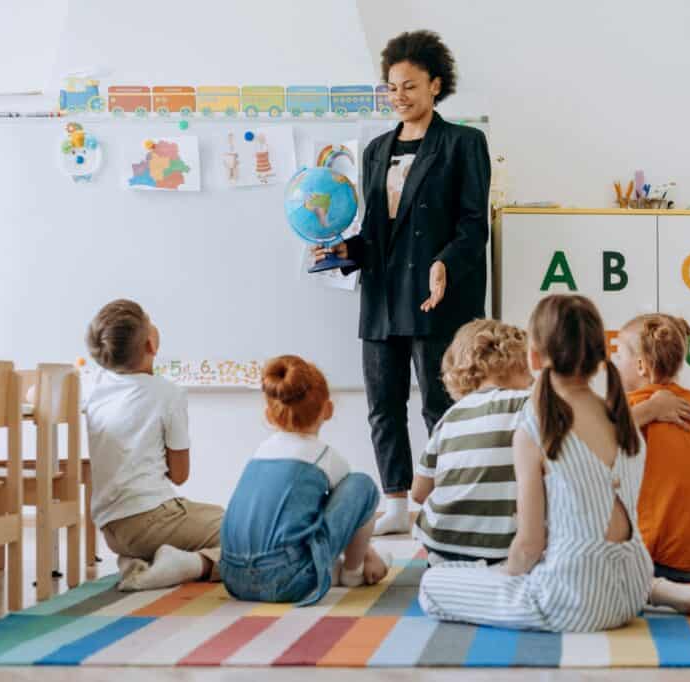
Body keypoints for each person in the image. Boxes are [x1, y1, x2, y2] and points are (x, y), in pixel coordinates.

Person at [417, 295, 690, 632]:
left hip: (574, 602)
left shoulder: (535, 426)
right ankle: (676, 595)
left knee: (434, 585)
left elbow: (529, 546)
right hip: (631, 587)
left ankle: (668, 594)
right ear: (599, 355)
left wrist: (502, 576)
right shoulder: (621, 416)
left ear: (533, 357)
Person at [314, 30, 491, 535]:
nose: (399, 97)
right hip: (382, 298)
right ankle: (395, 503)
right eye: (392, 87)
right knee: (383, 403)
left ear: (436, 85)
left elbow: (473, 224)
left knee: (441, 404)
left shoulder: (463, 144)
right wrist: (343, 250)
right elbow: (375, 234)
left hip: (438, 297)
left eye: (410, 87)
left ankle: (446, 501)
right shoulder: (374, 151)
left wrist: (445, 262)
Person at [219, 356, 389, 605]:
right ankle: (353, 572)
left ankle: (343, 564)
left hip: (232, 577)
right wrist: (367, 553)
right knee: (362, 485)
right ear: (328, 409)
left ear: (269, 415)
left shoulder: (259, 453)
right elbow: (349, 514)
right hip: (286, 580)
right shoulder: (326, 458)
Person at [84, 299, 222, 591]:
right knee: (247, 532)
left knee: (217, 519)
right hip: (151, 519)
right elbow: (180, 475)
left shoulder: (93, 386)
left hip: (112, 530)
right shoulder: (168, 394)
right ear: (151, 344)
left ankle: (140, 562)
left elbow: (37, 390)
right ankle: (188, 565)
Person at [614, 314, 690, 582]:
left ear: (640, 366)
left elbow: (598, 438)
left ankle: (671, 572)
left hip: (660, 549)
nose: (615, 363)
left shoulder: (628, 407)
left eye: (618, 356)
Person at [411, 319, 533, 565]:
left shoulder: (449, 418)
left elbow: (419, 492)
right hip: (504, 550)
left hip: (442, 546)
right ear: (518, 363)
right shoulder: (528, 403)